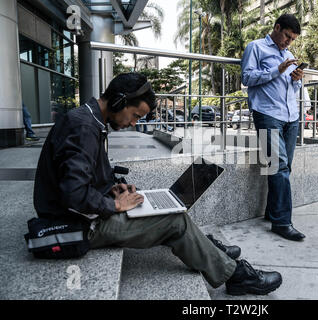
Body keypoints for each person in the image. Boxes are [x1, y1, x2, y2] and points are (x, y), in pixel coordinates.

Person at [33, 72, 282, 296]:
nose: (134, 123)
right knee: (175, 221)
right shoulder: (84, 127)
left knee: (163, 207)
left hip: (84, 214)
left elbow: (86, 174)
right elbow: (73, 194)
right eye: (135, 116)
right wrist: (116, 205)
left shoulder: (91, 121)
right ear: (120, 101)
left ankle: (207, 248)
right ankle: (235, 276)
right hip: (78, 224)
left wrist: (113, 187)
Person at [241, 14, 306, 241]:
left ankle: (272, 212)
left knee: (284, 167)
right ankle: (282, 222)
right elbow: (247, 78)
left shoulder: (289, 55)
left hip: (291, 117)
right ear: (277, 27)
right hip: (267, 114)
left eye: (293, 39)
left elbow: (290, 89)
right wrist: (276, 70)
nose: (289, 42)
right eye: (287, 36)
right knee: (279, 167)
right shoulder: (255, 48)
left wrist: (296, 79)